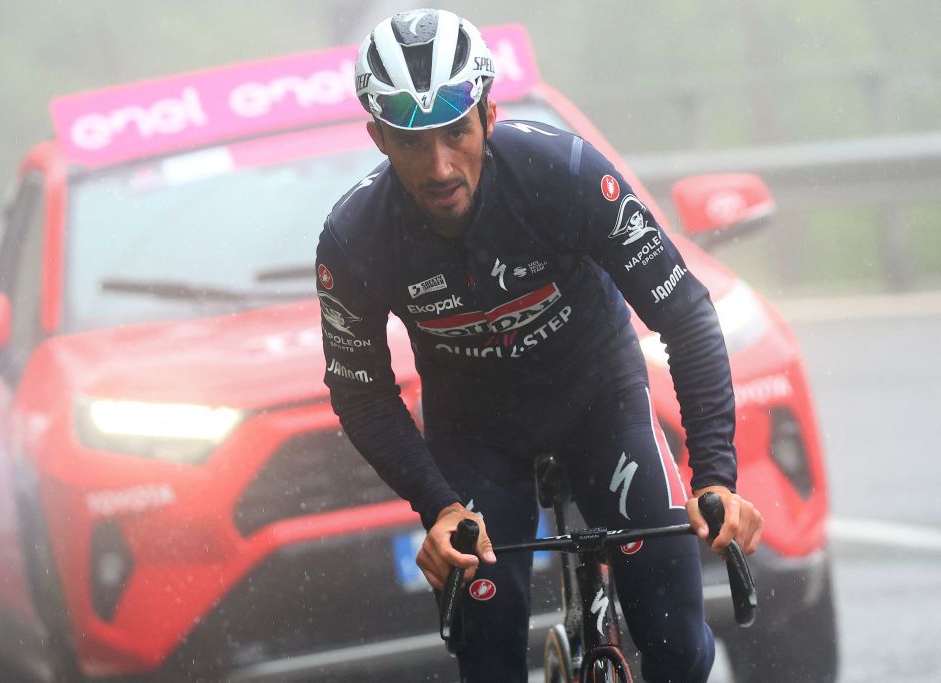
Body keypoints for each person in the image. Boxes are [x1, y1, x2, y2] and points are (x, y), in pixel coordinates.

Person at [316, 9, 762, 682]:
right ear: (378, 137)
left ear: (488, 115)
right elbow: (359, 390)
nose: (439, 166)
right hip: (477, 433)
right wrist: (438, 507)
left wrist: (717, 477)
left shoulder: (564, 173)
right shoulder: (354, 238)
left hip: (599, 399)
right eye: (413, 142)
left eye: (455, 132)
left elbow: (686, 312)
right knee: (487, 642)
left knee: (674, 633)